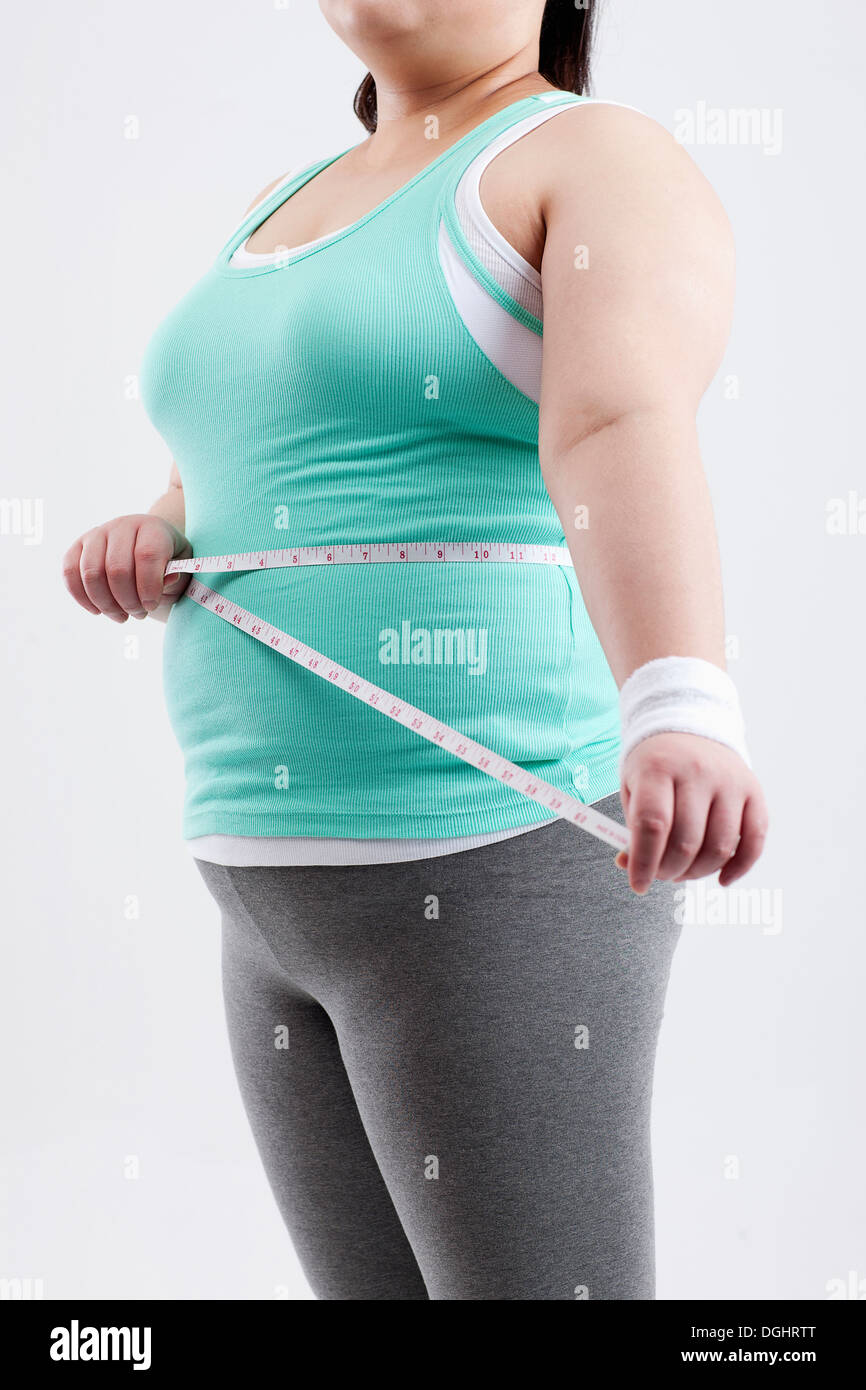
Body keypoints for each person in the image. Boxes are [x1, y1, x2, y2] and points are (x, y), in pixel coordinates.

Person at [62, 0, 768, 1300]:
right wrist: (152, 531)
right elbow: (230, 467)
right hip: (260, 890)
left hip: (494, 854)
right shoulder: (288, 197)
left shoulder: (586, 156)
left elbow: (615, 424)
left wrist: (679, 698)